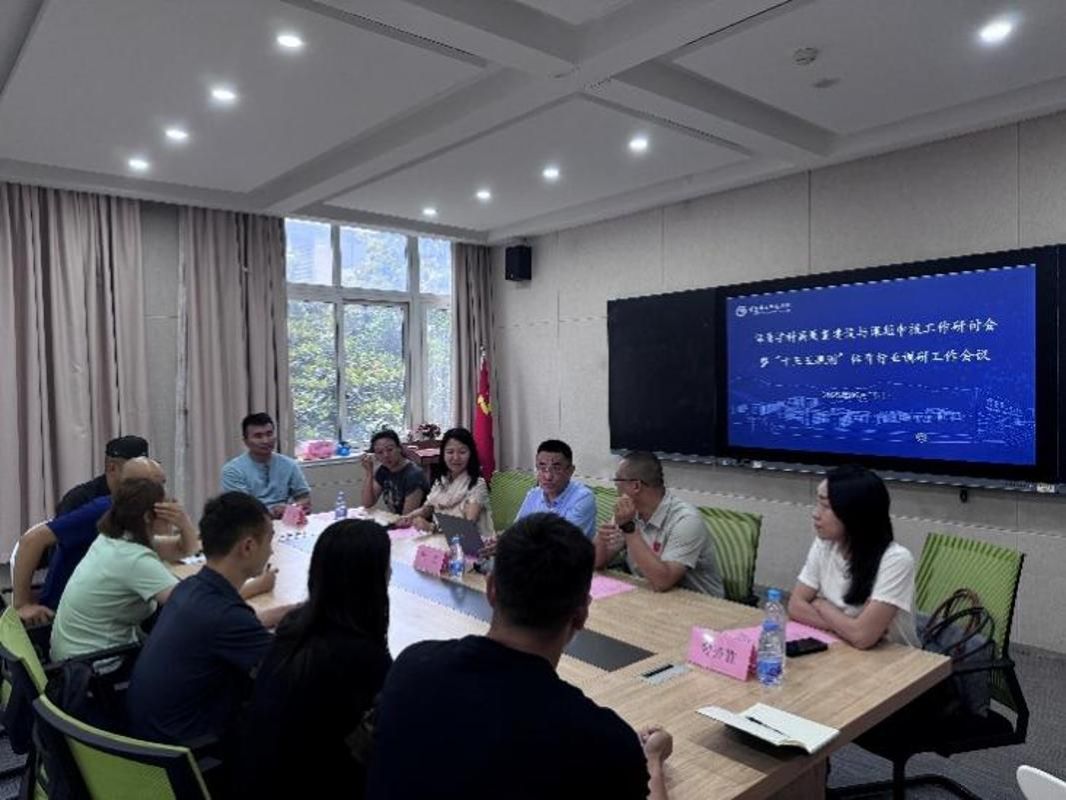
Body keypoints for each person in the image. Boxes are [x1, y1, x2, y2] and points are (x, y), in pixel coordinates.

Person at [366, 513, 674, 800]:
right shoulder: (600, 741)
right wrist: (651, 759)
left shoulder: (411, 666)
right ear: (581, 615)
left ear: (491, 590)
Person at [238, 519, 393, 799]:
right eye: (386, 567)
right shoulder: (362, 657)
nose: (391, 573)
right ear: (372, 580)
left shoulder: (294, 628)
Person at [125, 492, 288, 750]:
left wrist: (294, 612)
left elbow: (240, 624)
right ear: (247, 546)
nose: (271, 549)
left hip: (151, 735)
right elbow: (289, 667)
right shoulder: (226, 617)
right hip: (189, 751)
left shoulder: (190, 587)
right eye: (270, 539)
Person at [13, 457, 195, 626]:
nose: (165, 495)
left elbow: (184, 549)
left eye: (163, 483)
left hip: (91, 611)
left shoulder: (118, 529)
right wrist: (21, 604)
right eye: (154, 485)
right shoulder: (104, 512)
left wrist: (184, 523)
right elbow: (31, 539)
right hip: (70, 614)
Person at [50, 473, 200, 660]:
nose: (172, 514)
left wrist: (184, 523)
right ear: (148, 517)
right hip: (95, 664)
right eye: (167, 509)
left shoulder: (113, 539)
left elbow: (185, 549)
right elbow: (190, 605)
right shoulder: (133, 559)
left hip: (75, 654)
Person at [787, 465, 919, 649]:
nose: (815, 514)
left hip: (893, 656)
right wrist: (848, 628)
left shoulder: (896, 560)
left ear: (854, 514)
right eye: (818, 503)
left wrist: (821, 605)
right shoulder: (825, 543)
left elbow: (862, 637)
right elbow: (795, 606)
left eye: (826, 506)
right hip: (842, 646)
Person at [594, 451, 723, 597]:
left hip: (701, 603)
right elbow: (596, 563)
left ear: (636, 486)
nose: (616, 484)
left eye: (618, 479)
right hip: (649, 595)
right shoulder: (629, 511)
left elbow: (662, 581)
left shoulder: (686, 520)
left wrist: (629, 529)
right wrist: (602, 539)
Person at [395, 427, 493, 538]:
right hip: (441, 539)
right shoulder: (441, 480)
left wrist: (432, 528)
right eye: (450, 452)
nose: (456, 458)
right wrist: (408, 517)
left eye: (462, 452)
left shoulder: (477, 485)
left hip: (471, 543)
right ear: (443, 454)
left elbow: (467, 527)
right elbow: (428, 508)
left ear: (471, 454)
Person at [221, 412, 310, 519]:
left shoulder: (289, 464)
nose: (266, 440)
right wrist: (272, 512)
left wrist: (291, 508)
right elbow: (241, 510)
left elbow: (304, 498)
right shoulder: (232, 470)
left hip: (287, 521)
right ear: (246, 441)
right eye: (258, 436)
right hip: (253, 524)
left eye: (269, 434)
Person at [514, 439, 596, 539]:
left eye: (556, 469)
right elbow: (517, 531)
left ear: (570, 471)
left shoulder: (583, 498)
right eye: (542, 468)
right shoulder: (533, 494)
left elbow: (562, 542)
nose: (548, 476)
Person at [55, 434, 149, 516]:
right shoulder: (81, 500)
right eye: (136, 467)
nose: (143, 472)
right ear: (112, 468)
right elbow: (56, 530)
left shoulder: (148, 492)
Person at [360, 429, 428, 516]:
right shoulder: (383, 470)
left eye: (390, 449)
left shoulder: (413, 475)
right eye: (380, 452)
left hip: (415, 522)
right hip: (397, 519)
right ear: (375, 456)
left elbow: (407, 517)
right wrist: (369, 473)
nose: (386, 455)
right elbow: (367, 503)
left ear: (399, 448)